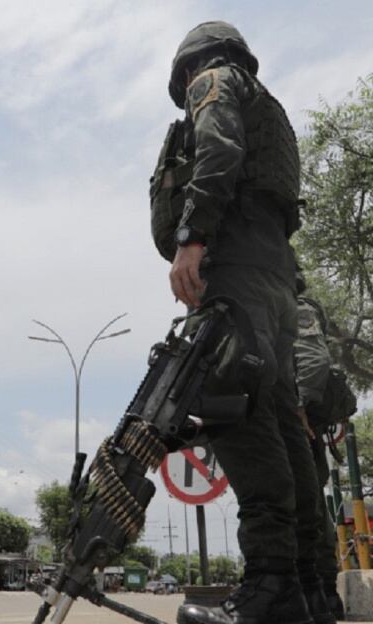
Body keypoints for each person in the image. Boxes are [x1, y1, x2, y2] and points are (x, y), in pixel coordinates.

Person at [156, 22, 328, 624]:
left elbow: (219, 150)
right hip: (276, 282)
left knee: (238, 418)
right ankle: (306, 587)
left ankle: (269, 590)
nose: (185, 89)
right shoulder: (272, 108)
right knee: (281, 429)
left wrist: (193, 237)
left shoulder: (215, 82)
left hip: (236, 276)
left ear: (190, 67)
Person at [294, 286, 346, 620]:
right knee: (308, 507)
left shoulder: (294, 306)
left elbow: (314, 360)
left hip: (300, 428)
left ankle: (322, 592)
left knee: (306, 508)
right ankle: (321, 595)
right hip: (294, 426)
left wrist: (296, 405)